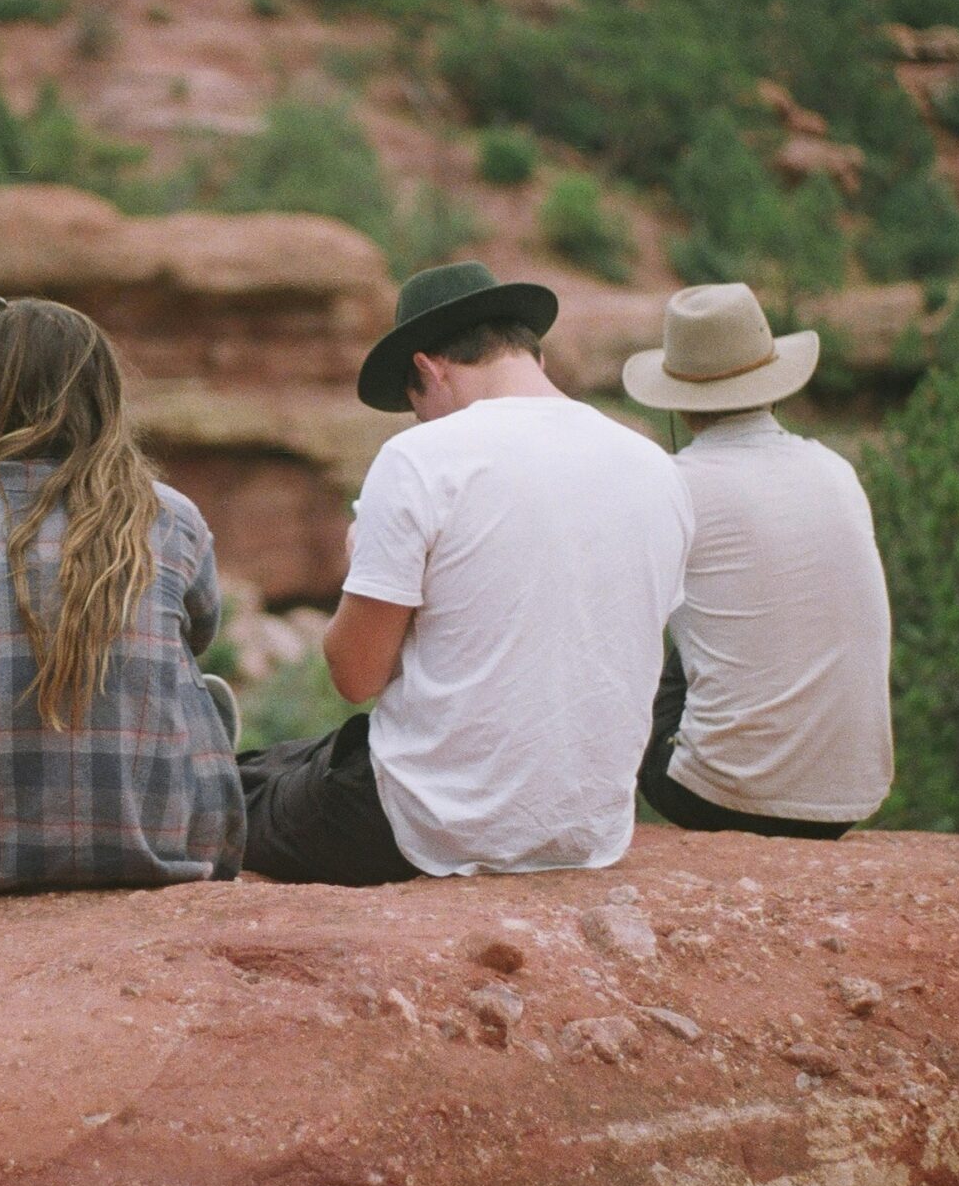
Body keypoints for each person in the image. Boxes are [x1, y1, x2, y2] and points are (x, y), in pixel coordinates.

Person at [238, 261, 695, 885]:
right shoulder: (655, 468)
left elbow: (354, 674)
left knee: (236, 793)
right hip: (587, 828)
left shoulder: (421, 458)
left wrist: (361, 569)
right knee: (296, 760)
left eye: (413, 403)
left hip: (427, 826)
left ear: (429, 368)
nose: (417, 419)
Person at [0, 295, 243, 895]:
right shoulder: (171, 514)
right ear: (104, 392)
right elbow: (201, 632)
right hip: (152, 847)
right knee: (196, 681)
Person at [620, 283, 894, 839]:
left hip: (720, 798)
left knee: (657, 626)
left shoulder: (674, 484)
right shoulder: (836, 468)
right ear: (773, 386)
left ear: (679, 402)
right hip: (851, 800)